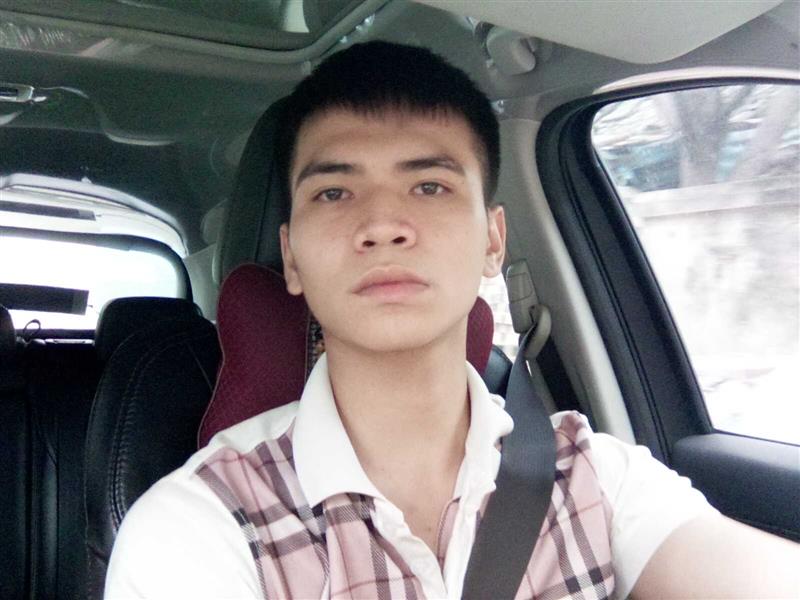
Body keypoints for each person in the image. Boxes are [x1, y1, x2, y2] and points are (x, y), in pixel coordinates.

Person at [105, 41, 799, 599]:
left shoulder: (595, 477)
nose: (382, 224)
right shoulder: (201, 526)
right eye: (335, 192)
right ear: (292, 258)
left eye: (429, 185)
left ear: (493, 241)